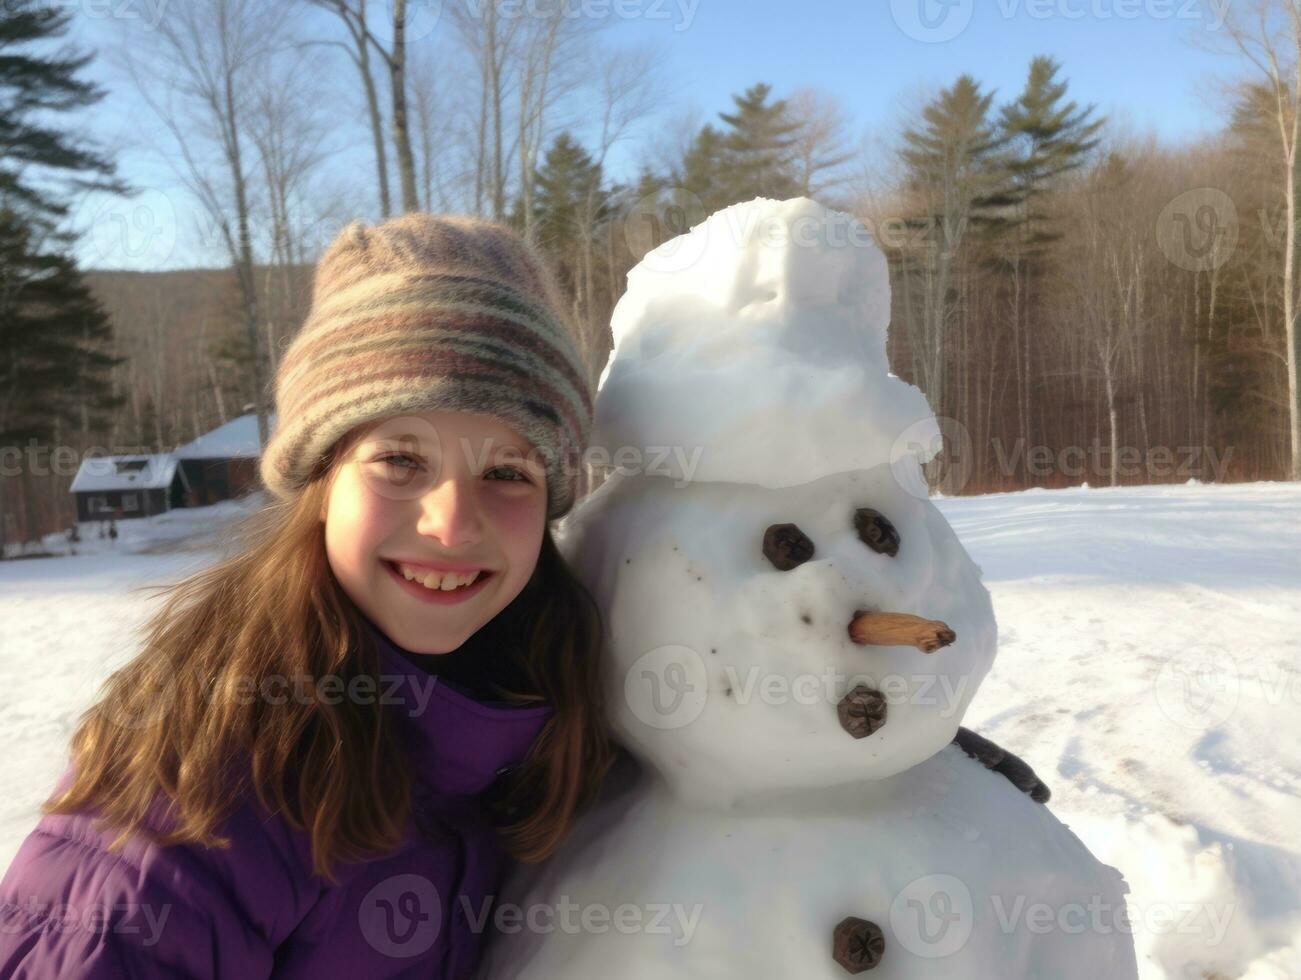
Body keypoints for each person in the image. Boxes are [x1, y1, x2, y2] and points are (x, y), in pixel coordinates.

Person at [0, 213, 618, 978]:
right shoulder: (200, 782)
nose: (453, 526)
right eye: (399, 460)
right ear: (320, 486)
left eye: (506, 472)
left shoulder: (549, 713)